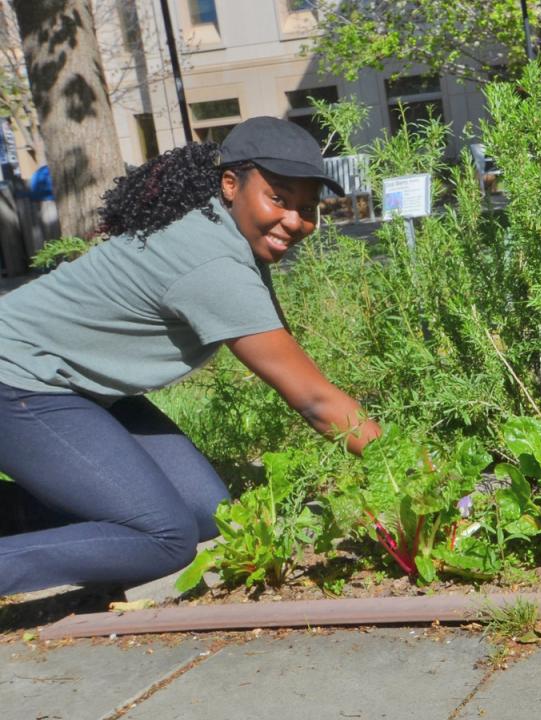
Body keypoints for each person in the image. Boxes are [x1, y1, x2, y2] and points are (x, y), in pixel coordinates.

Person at [0, 117, 382, 596]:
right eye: (279, 198)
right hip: (18, 383)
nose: (294, 220)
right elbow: (314, 401)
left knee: (205, 513)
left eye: (308, 208)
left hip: (76, 387)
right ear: (230, 184)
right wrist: (411, 470)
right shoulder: (214, 263)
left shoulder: (221, 231)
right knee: (163, 538)